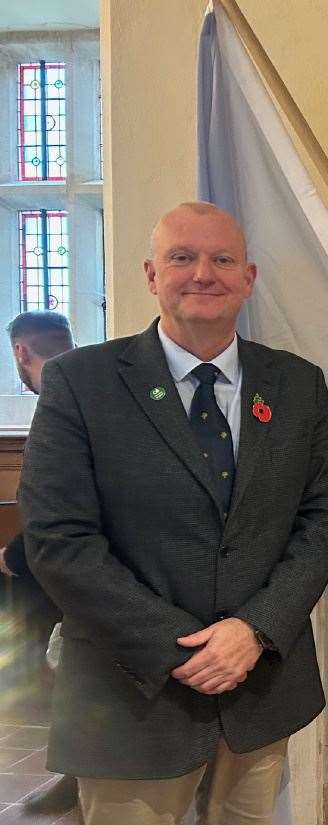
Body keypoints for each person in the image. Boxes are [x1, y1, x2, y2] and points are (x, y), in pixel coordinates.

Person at [18, 202, 328, 825]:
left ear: (248, 278)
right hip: (130, 695)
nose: (204, 273)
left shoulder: (297, 384)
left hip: (259, 690)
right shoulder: (80, 383)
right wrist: (181, 648)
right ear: (150, 274)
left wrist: (253, 631)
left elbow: (322, 517)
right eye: (182, 258)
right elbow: (60, 541)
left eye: (223, 259)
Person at [1, 311, 78, 814]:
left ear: (20, 353)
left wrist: (14, 555)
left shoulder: (61, 396)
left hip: (71, 560)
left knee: (65, 654)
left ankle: (77, 770)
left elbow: (62, 499)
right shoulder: (94, 386)